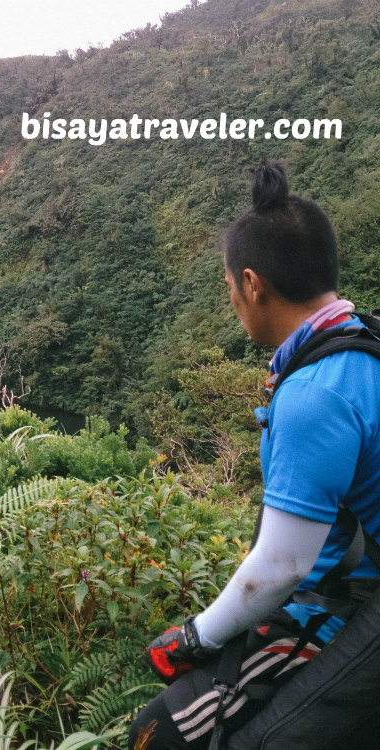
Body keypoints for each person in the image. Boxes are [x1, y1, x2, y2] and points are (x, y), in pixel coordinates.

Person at [127, 161, 380, 750]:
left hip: (357, 599)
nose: (231, 299)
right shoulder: (358, 346)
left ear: (252, 282)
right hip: (342, 589)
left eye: (228, 285)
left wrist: (192, 638)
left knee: (203, 738)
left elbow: (282, 566)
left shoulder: (316, 393)